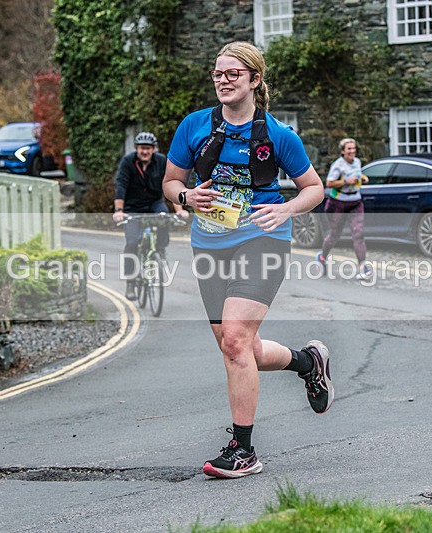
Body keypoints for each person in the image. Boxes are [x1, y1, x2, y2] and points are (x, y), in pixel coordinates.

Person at [163, 41, 334, 479]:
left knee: (236, 341)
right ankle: (307, 362)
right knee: (239, 348)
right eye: (218, 73)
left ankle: (243, 450)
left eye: (232, 74)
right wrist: (186, 196)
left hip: (264, 238)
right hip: (210, 244)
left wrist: (287, 208)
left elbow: (315, 188)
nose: (223, 80)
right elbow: (170, 181)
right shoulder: (194, 126)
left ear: (254, 80)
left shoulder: (278, 135)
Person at [113, 131, 189, 300]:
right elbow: (121, 186)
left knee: (164, 219)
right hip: (133, 207)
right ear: (136, 149)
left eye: (148, 148)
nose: (145, 152)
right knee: (132, 243)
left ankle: (159, 249)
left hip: (155, 203)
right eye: (141, 149)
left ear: (153, 149)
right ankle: (131, 282)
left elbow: (171, 186)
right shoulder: (128, 162)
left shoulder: (161, 161)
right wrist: (119, 211)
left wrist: (179, 210)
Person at [316, 138, 373, 280]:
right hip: (339, 203)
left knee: (358, 234)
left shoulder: (357, 162)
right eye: (349, 149)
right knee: (335, 235)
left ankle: (362, 268)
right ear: (343, 151)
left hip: (355, 201)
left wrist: (363, 178)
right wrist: (346, 181)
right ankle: (322, 257)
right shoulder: (338, 165)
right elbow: (329, 183)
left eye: (354, 148)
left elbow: (357, 175)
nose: (352, 151)